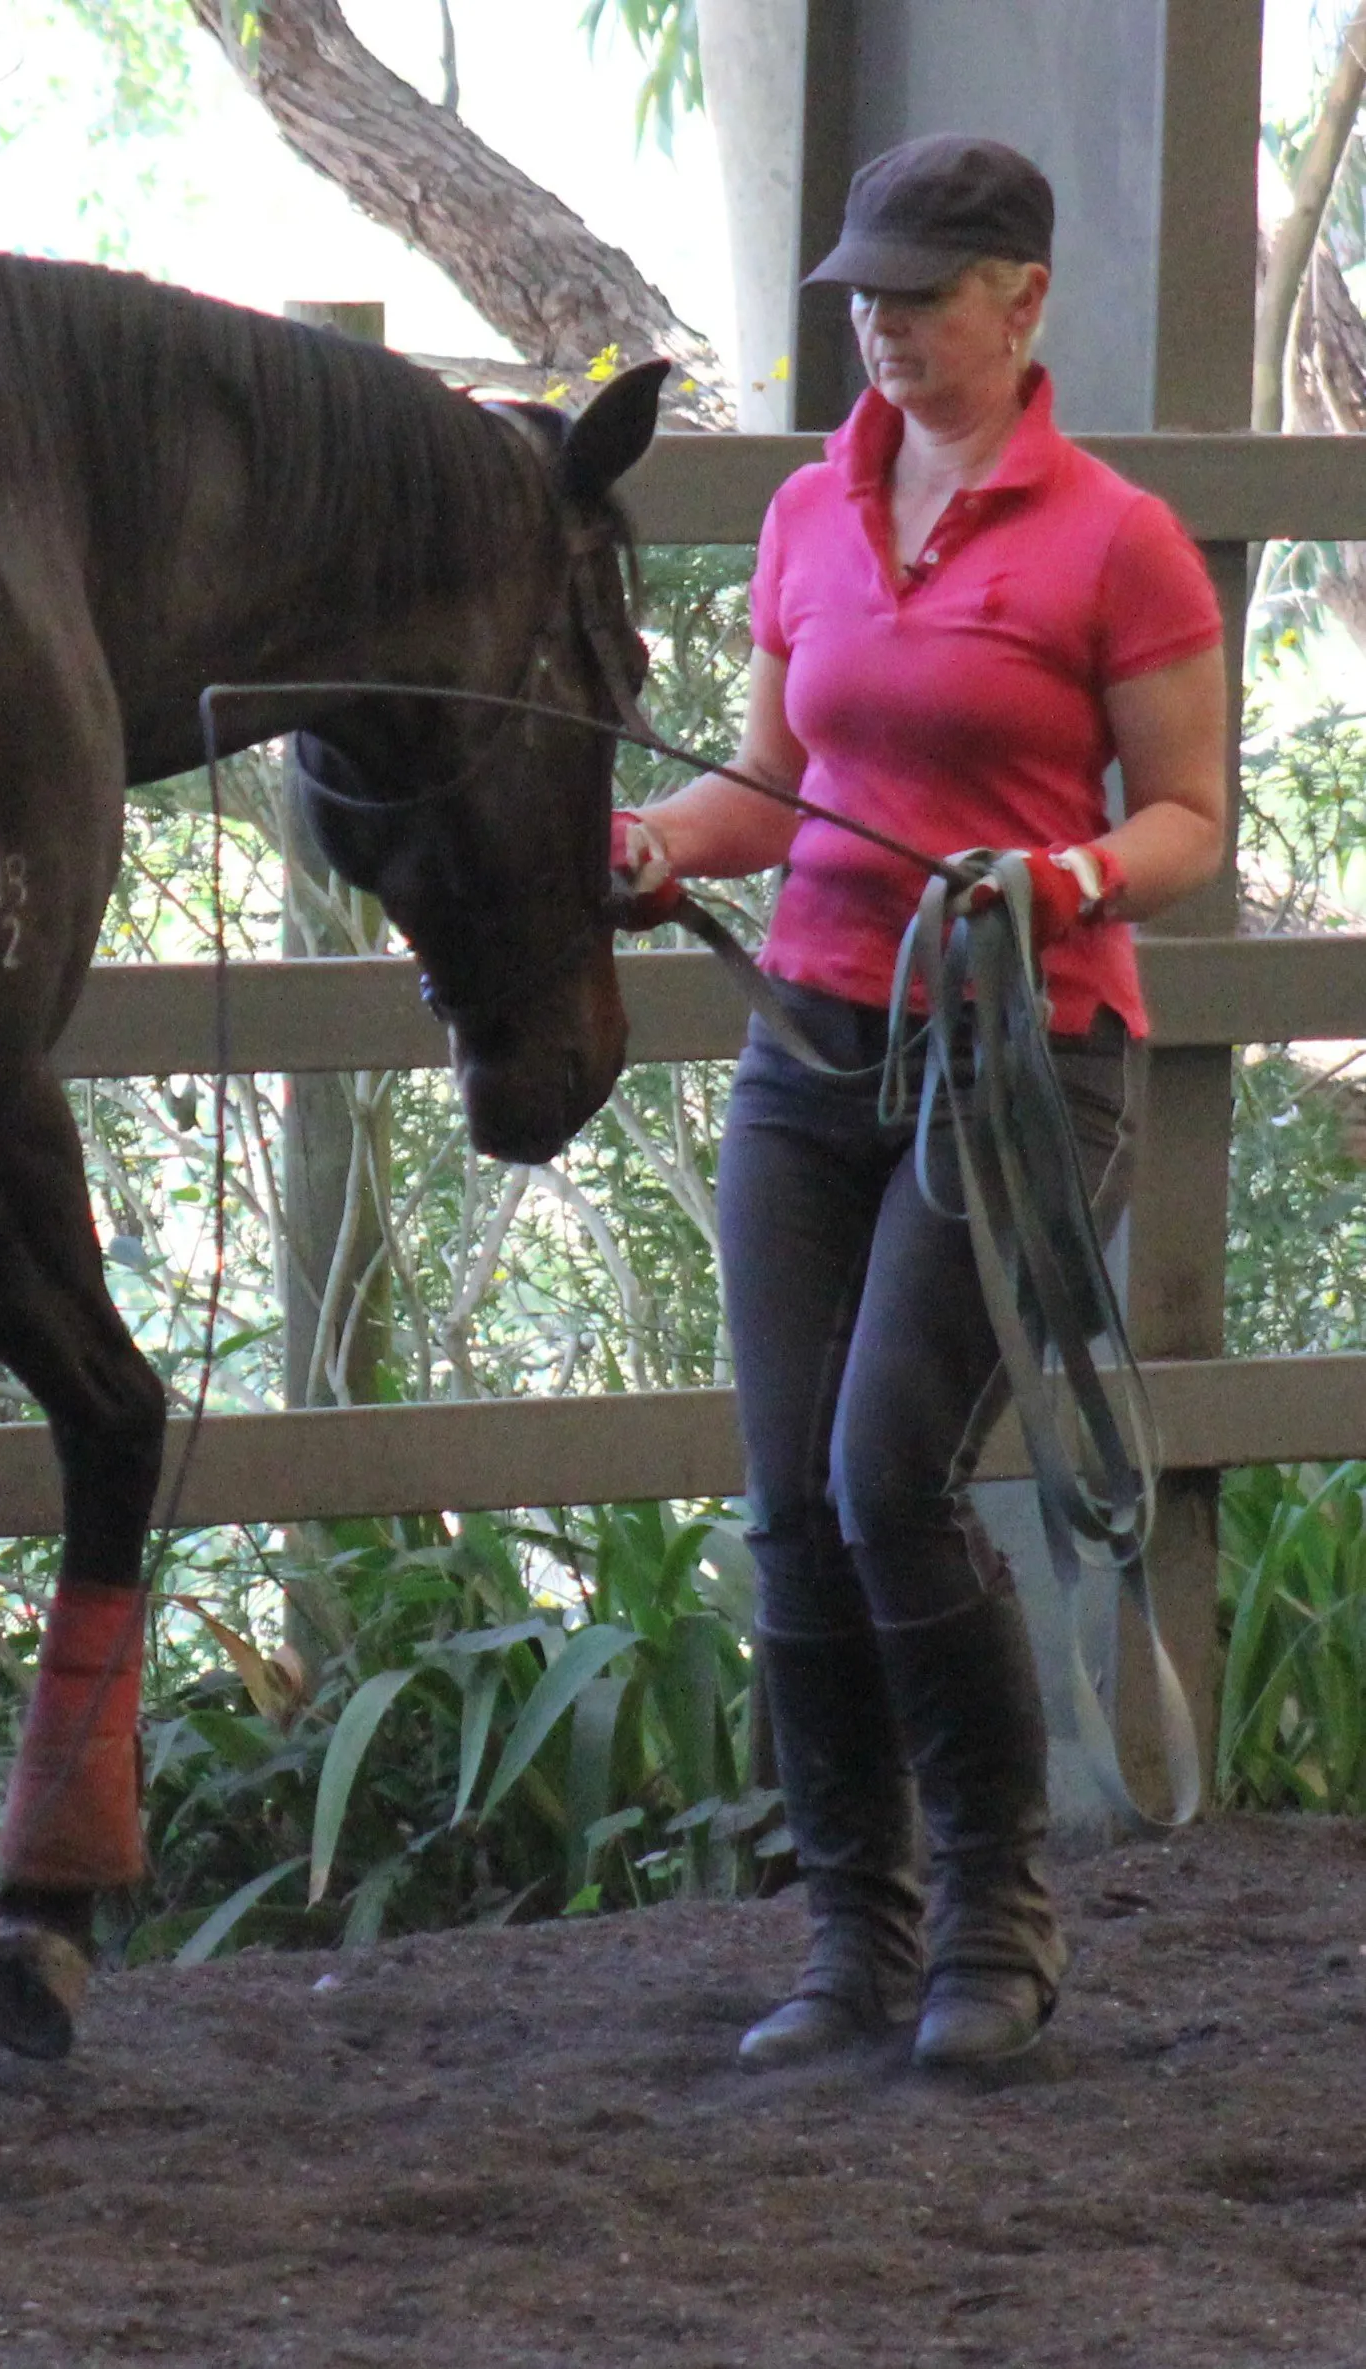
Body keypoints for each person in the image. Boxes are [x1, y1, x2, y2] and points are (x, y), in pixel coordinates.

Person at [610, 134, 1228, 2069]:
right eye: (860, 296)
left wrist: (1061, 876)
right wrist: (649, 843)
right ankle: (850, 1945)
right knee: (790, 1493)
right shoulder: (807, 514)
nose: (876, 326)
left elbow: (1188, 823)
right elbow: (768, 786)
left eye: (916, 294)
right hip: (808, 1050)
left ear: (1020, 301)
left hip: (1018, 1063)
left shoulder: (1109, 538)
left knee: (890, 1471)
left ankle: (994, 1923)